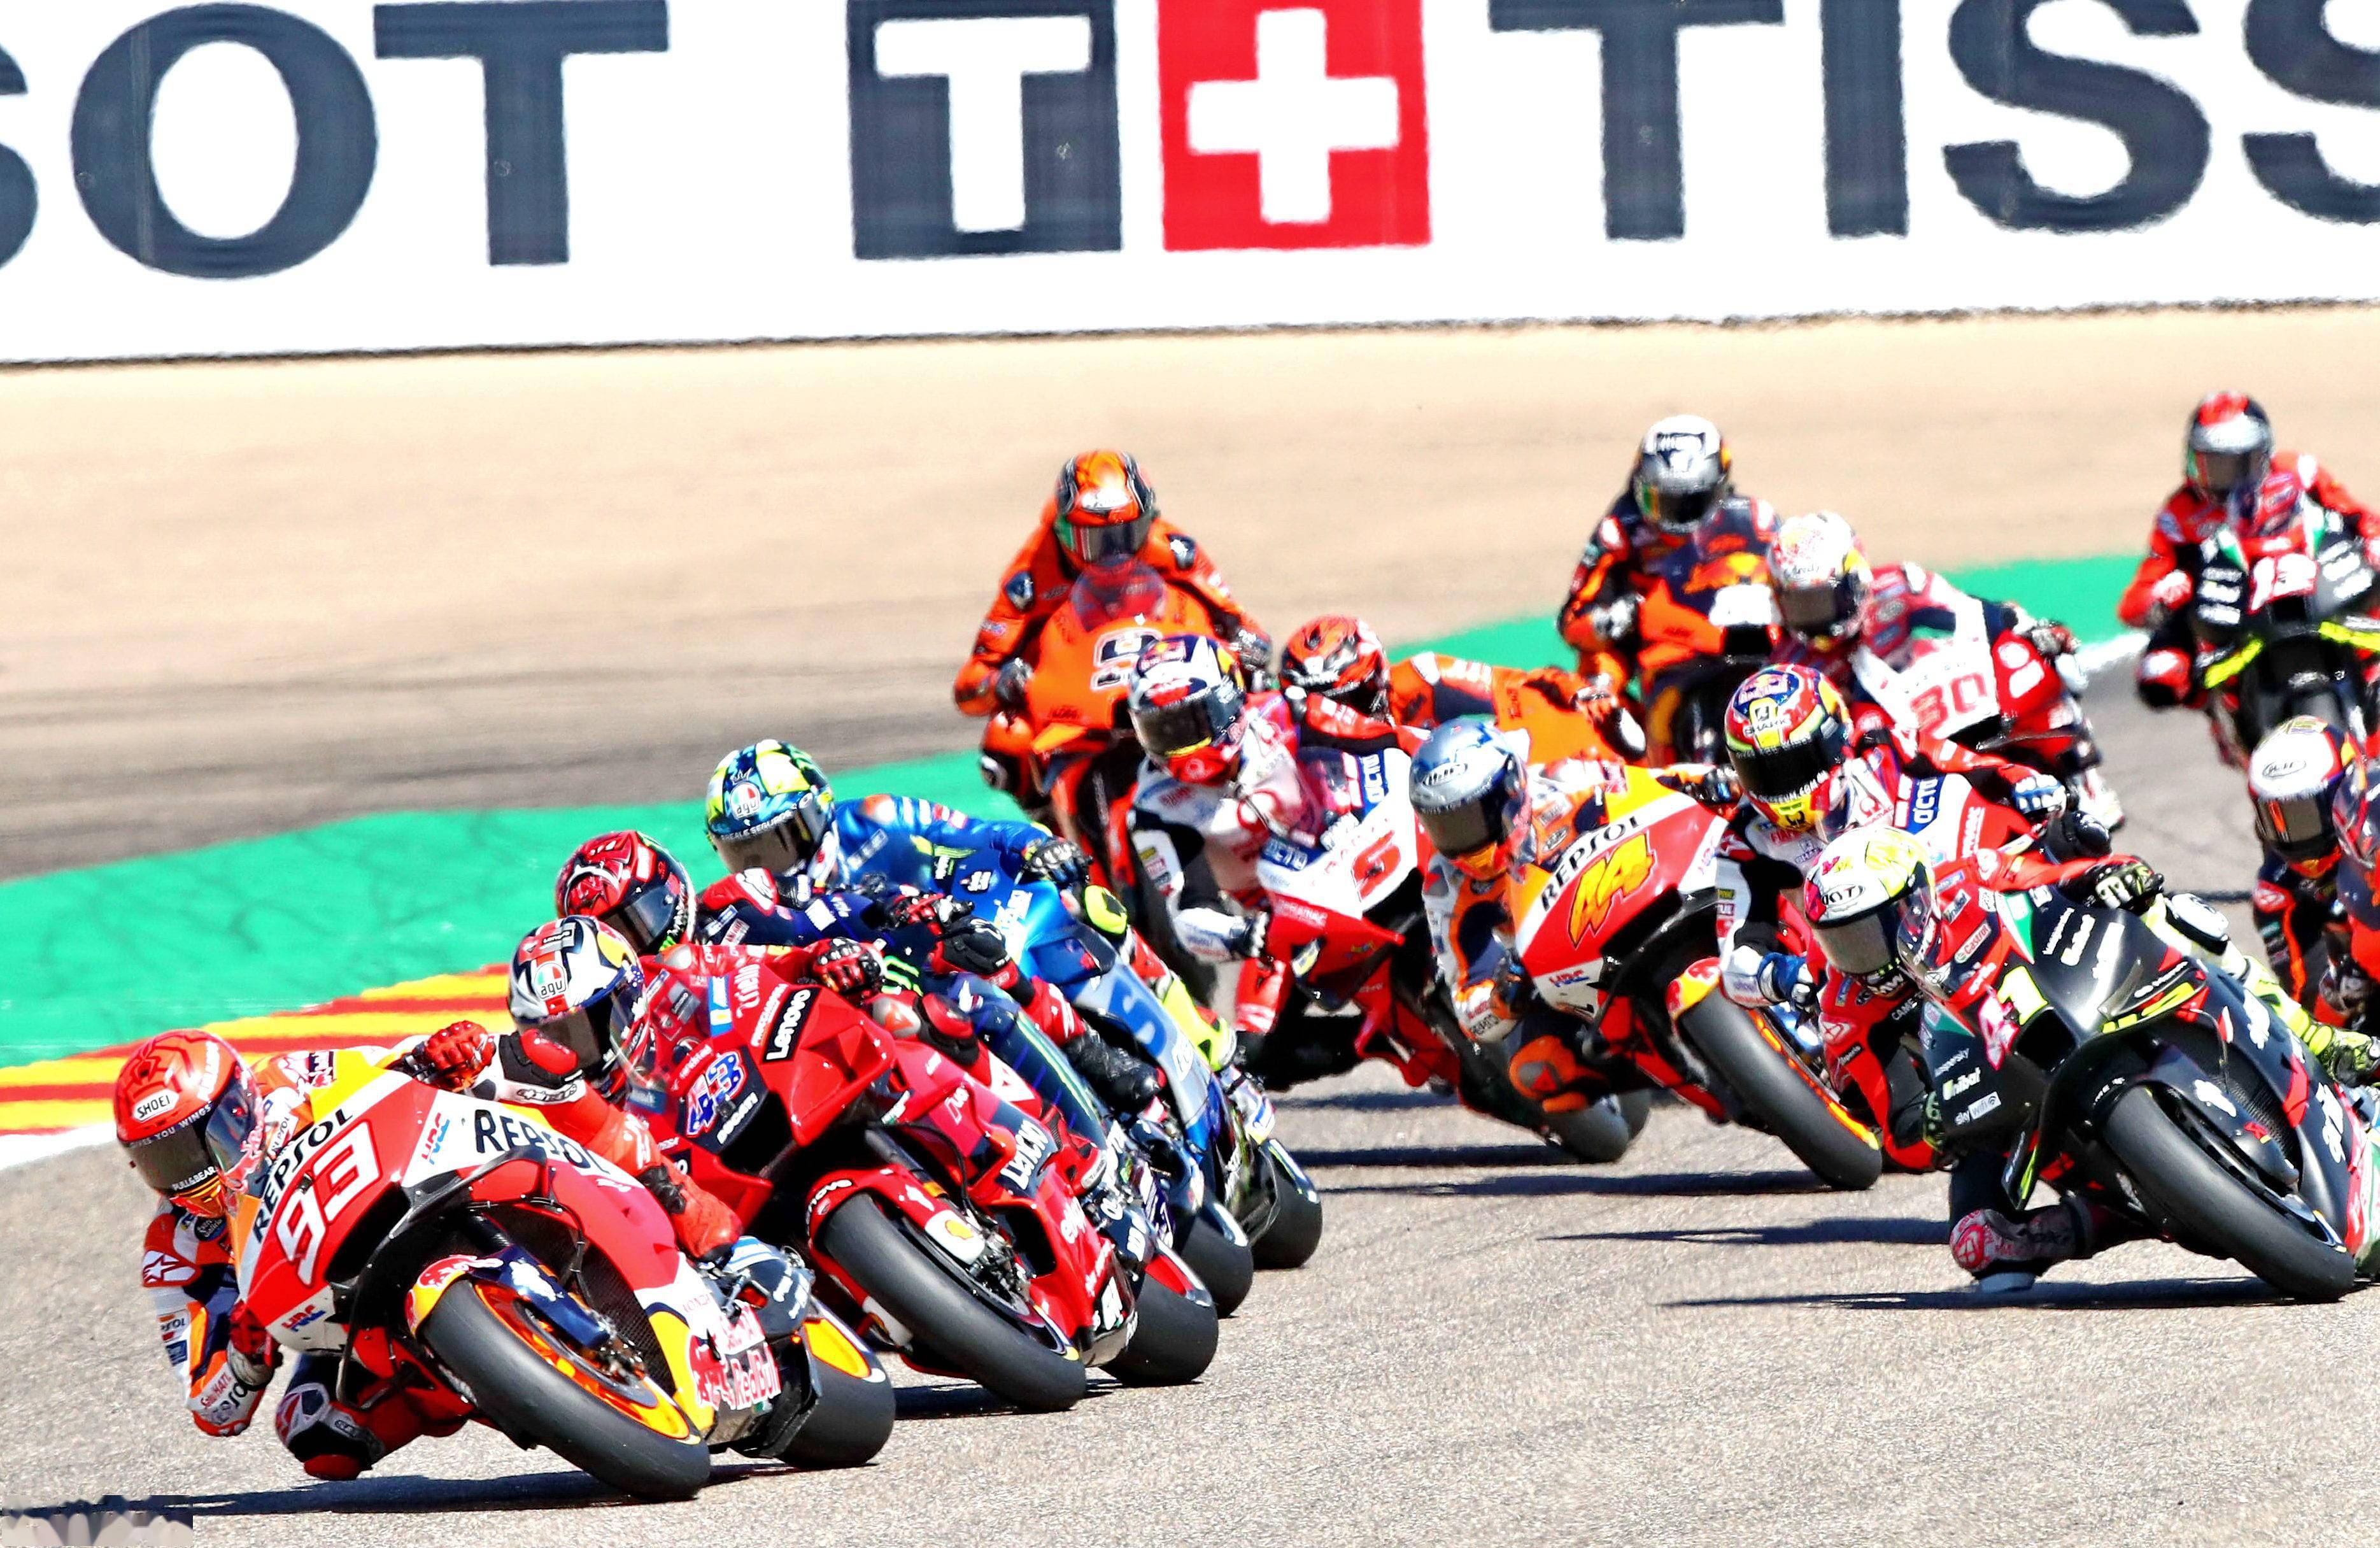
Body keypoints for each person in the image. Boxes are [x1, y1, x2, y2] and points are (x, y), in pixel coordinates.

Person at [1802, 823, 2376, 1289]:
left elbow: (2045, 875)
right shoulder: (1847, 1011)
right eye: (1843, 941)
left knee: (2173, 914)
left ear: (1917, 896)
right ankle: (2116, 1217)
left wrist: (2102, 874)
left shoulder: (1965, 880)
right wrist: (1932, 1121)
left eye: (1872, 931)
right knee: (1980, 1244)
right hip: (1988, 1106)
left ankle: (2319, 1040)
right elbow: (1897, 1128)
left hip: (2062, 998)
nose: (1864, 955)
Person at [553, 827, 1161, 1111]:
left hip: (847, 1015)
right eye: (616, 934)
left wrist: (903, 908)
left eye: (639, 918)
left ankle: (1088, 1055)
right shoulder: (628, 1012)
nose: (638, 941)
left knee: (969, 988)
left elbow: (831, 906)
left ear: (672, 889)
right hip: (764, 1096)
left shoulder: (736, 901)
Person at [115, 1030, 481, 1479]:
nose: (186, 1174)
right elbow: (212, 1409)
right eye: (163, 1159)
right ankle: (482, 1387)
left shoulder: (289, 1080)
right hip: (346, 1313)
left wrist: (433, 1055)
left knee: (517, 1068)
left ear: (236, 1107)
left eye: (193, 1147)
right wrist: (245, 1356)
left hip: (417, 1188)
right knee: (311, 1424)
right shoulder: (176, 1246)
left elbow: (388, 1064)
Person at [1123, 633, 1422, 1085]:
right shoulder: (1154, 807)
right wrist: (1247, 935)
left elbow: (1385, 742)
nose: (1179, 745)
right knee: (1251, 1054)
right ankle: (1381, 1039)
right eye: (1162, 731)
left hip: (1355, 846)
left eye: (1191, 722)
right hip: (1282, 921)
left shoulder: (1288, 712)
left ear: (1227, 705)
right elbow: (1187, 911)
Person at [1404, 720, 1737, 1112]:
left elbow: (1653, 783)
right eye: (1443, 825)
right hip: (1559, 976)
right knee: (1536, 1070)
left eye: (1469, 818)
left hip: (1631, 892)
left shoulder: (1564, 779)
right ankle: (1665, 1076)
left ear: (1509, 789)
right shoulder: (1445, 887)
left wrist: (1706, 782)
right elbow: (1467, 1005)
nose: (1460, 840)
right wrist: (1501, 998)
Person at [1710, 664, 2066, 1015]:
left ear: (1833, 738)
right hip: (1873, 982)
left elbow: (1982, 769)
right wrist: (1781, 977)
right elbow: (1734, 961)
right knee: (1837, 1028)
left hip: (1963, 907)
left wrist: (2026, 785)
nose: (1781, 784)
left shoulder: (1888, 749)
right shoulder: (1745, 839)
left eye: (1792, 765)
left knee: (2069, 836)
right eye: (1759, 771)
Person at [951, 451, 1271, 795]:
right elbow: (970, 686)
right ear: (1063, 531)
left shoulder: (1175, 551)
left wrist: (1246, 646)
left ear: (1148, 522)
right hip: (1075, 685)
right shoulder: (1029, 578)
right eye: (1094, 541)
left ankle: (1258, 786)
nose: (1113, 552)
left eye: (1127, 535)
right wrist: (1001, 682)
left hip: (1164, 669)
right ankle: (1045, 814)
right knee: (1007, 734)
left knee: (1260, 688)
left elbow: (1243, 626)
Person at [2118, 393, 2375, 710]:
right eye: (2213, 465)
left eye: (2241, 463)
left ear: (2264, 455)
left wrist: (2373, 543)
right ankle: (2224, 711)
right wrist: (2165, 593)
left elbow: (2359, 517)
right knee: (2159, 673)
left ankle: (2372, 674)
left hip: (2312, 589)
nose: (2225, 479)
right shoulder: (2179, 514)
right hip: (2227, 615)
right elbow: (2134, 602)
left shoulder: (2300, 472)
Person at [1279, 613, 1646, 765]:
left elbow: (1511, 684)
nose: (1340, 714)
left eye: (1350, 699)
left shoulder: (1424, 674)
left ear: (1378, 677)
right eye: (1324, 705)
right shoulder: (1288, 737)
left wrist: (1578, 693)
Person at [1557, 416, 1755, 687]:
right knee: (1596, 682)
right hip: (1649, 642)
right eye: (1662, 501)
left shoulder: (1751, 519)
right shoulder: (1619, 529)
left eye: (1692, 503)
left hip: (1725, 635)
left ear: (1719, 488)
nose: (1677, 519)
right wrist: (1613, 619)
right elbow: (1571, 620)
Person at [2246, 718, 2362, 1016]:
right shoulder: (2275, 890)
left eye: (2303, 817)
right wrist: (2343, 992)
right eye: (2276, 817)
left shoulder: (2372, 817)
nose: (2292, 836)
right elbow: (2305, 997)